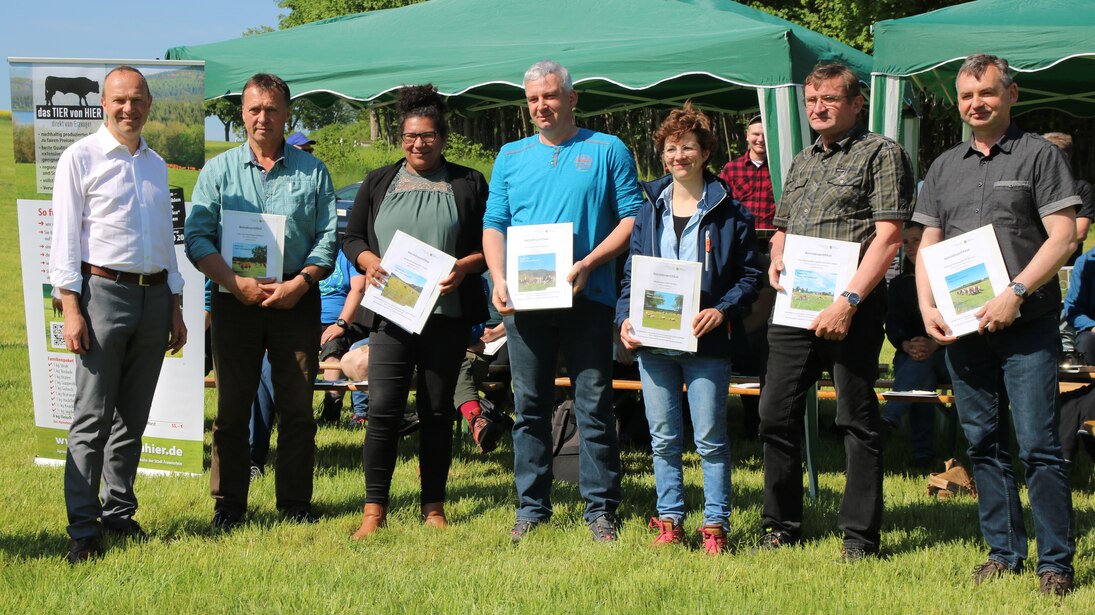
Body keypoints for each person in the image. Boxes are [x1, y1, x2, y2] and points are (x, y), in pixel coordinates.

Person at [914, 54, 1078, 596]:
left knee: (1037, 446)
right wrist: (928, 306)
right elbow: (927, 246)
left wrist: (1016, 292)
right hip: (965, 331)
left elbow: (1063, 237)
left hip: (1026, 325)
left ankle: (1055, 563)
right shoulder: (943, 166)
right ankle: (1004, 552)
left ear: (1011, 95)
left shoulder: (1039, 156)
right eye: (965, 96)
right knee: (982, 443)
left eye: (985, 93)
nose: (974, 104)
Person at [756, 63, 915, 561]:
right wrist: (777, 256)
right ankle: (781, 524)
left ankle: (859, 537)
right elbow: (782, 225)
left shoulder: (882, 154)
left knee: (855, 418)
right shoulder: (802, 160)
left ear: (855, 103)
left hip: (855, 306)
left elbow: (889, 237)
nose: (818, 109)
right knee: (772, 413)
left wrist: (848, 302)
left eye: (828, 100)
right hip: (796, 305)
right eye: (811, 102)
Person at [483, 60, 645, 544]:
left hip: (588, 298)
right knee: (529, 405)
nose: (541, 106)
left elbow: (632, 218)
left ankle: (600, 510)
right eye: (532, 99)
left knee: (593, 404)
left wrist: (589, 263)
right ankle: (531, 507)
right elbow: (495, 223)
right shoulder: (511, 155)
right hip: (526, 303)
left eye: (550, 96)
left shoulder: (607, 149)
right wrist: (497, 278)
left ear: (572, 99)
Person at [185, 73, 337, 530]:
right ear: (242, 115)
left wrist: (302, 282)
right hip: (235, 301)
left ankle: (295, 504)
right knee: (232, 410)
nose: (262, 118)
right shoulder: (219, 171)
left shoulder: (314, 172)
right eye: (254, 109)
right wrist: (233, 283)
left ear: (287, 114)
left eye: (272, 109)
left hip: (296, 299)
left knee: (297, 410)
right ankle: (228, 505)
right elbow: (196, 238)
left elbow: (329, 238)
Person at [50, 66, 187, 563]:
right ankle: (83, 529)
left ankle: (119, 513)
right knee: (92, 418)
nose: (128, 108)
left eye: (137, 100)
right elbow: (64, 235)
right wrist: (70, 306)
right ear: (103, 104)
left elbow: (166, 244)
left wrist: (174, 303)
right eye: (118, 100)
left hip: (154, 299)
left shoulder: (156, 164)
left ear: (150, 104)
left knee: (133, 416)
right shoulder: (79, 157)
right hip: (101, 294)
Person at [341, 84, 488, 537]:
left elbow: (490, 244)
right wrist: (368, 262)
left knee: (437, 411)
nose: (418, 144)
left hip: (445, 316)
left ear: (443, 138)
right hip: (391, 314)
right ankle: (373, 511)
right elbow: (352, 238)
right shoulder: (378, 181)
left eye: (427, 136)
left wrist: (465, 267)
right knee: (383, 408)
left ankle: (433, 506)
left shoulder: (467, 182)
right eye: (409, 136)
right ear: (400, 138)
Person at [616, 103, 761, 554]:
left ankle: (715, 526)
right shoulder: (647, 210)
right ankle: (670, 521)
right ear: (662, 156)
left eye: (688, 148)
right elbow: (630, 275)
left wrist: (723, 310)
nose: (679, 156)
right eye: (671, 148)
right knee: (663, 437)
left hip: (707, 340)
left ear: (704, 153)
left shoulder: (731, 212)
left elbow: (750, 276)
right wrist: (624, 318)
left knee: (711, 439)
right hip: (654, 342)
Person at [881, 222, 948, 469]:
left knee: (922, 366)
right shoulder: (900, 284)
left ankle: (889, 419)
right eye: (905, 241)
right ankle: (922, 456)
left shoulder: (946, 278)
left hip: (947, 353)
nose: (909, 247)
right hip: (912, 355)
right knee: (922, 377)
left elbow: (957, 321)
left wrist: (934, 344)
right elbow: (893, 323)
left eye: (916, 240)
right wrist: (906, 344)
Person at [1041, 132, 1094, 367]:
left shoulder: (1081, 188)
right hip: (1031, 266)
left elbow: (1079, 232)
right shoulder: (1036, 188)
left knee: (1065, 326)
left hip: (1067, 267)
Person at [317, 250, 368, 422]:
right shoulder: (308, 254)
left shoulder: (349, 255)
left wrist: (341, 323)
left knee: (333, 346)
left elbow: (359, 288)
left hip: (342, 322)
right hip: (308, 320)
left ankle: (332, 407)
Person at [718, 115, 775, 231]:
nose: (761, 139)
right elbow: (720, 205)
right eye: (756, 134)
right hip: (740, 237)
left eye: (765, 135)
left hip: (773, 238)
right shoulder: (731, 169)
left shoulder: (780, 169)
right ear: (747, 136)